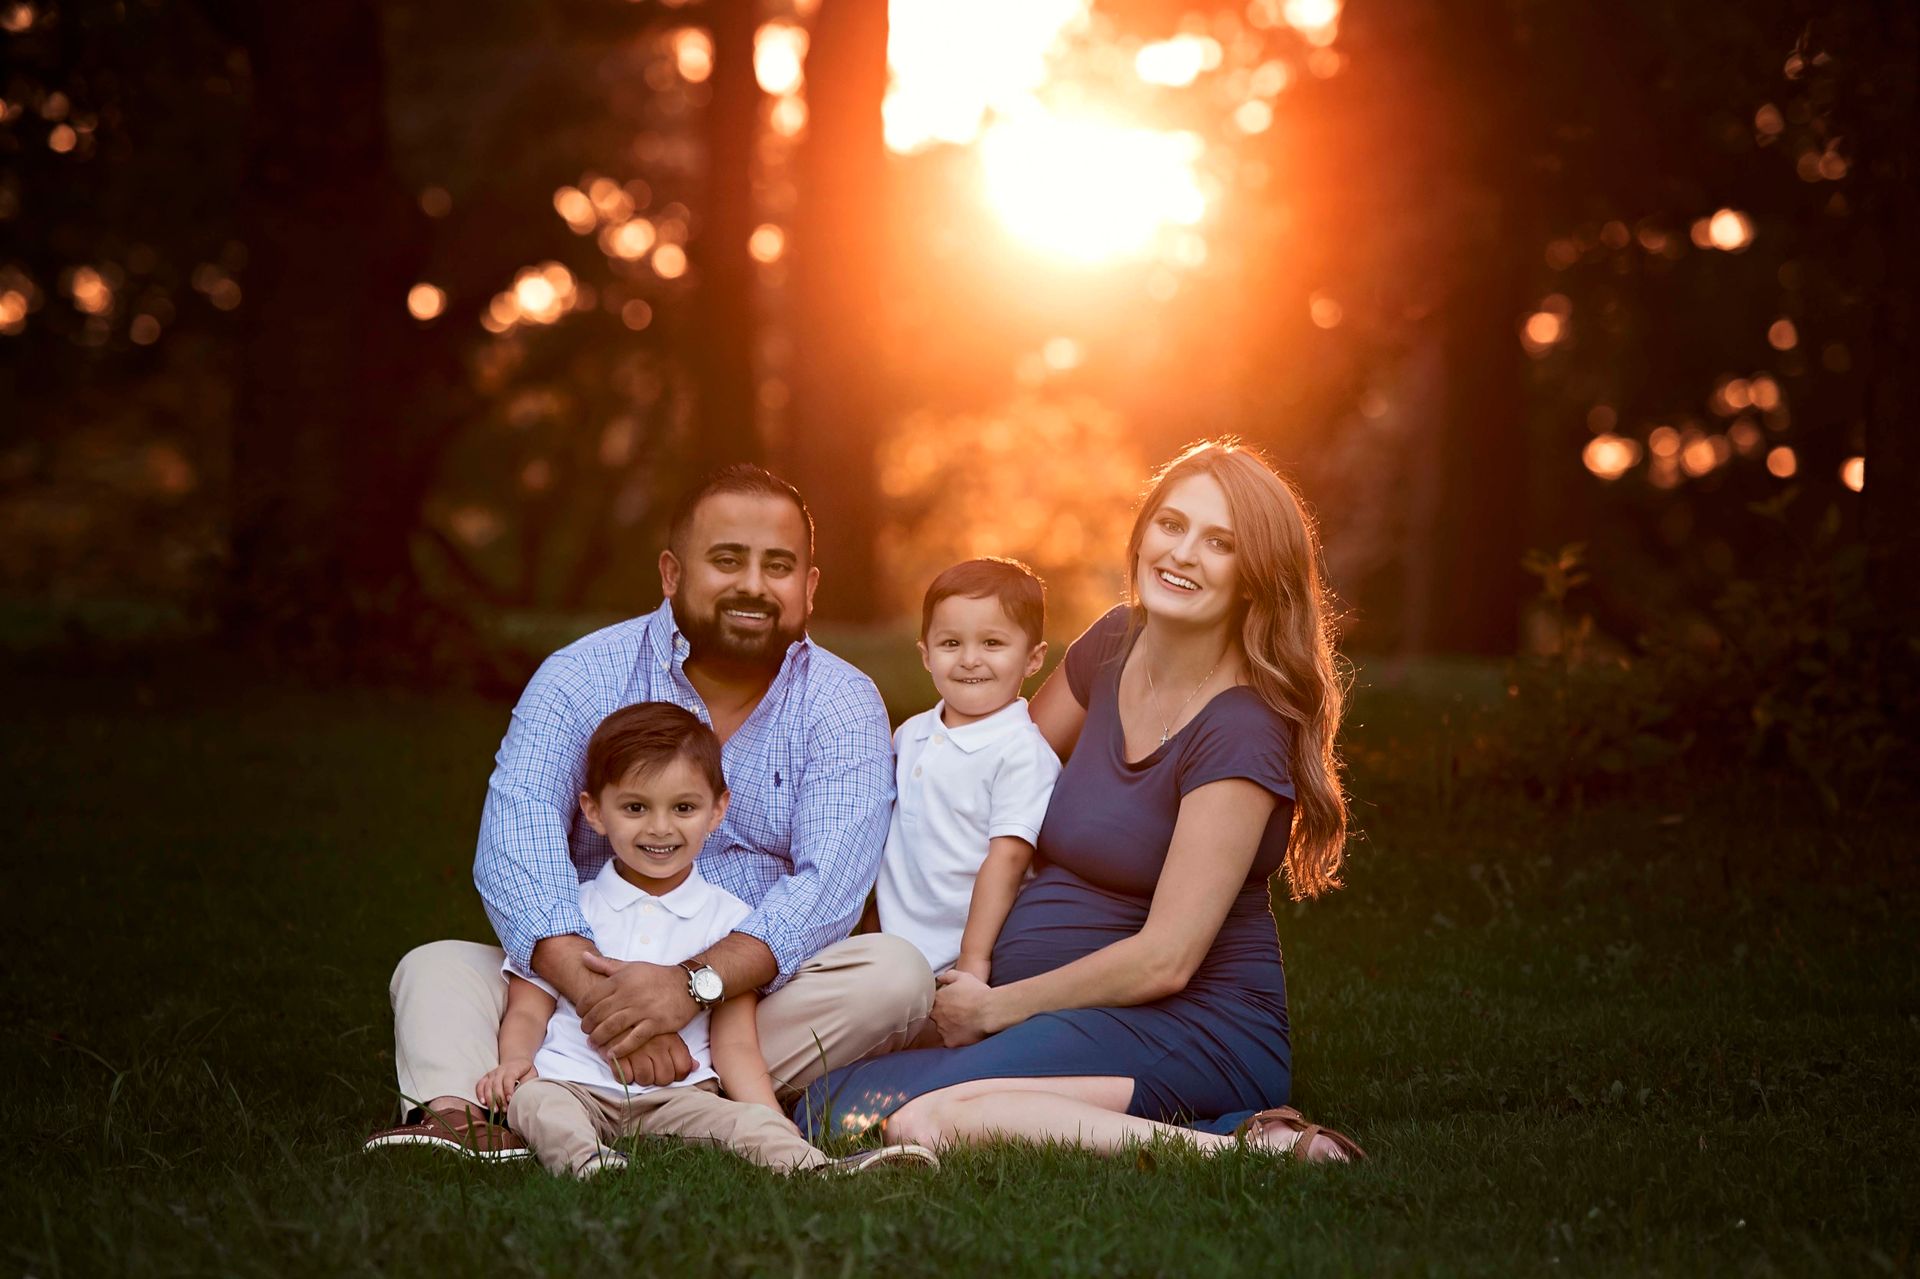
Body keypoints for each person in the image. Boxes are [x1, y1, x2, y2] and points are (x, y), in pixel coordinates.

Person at [796, 440, 1366, 1163]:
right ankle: (1212, 1128)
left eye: (1219, 542)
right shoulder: (1115, 641)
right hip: (1059, 1005)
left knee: (882, 1116)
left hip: (1188, 1022)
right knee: (831, 1098)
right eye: (1171, 524)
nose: (1183, 553)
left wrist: (995, 1008)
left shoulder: (1241, 729)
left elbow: (1166, 959)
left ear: (1256, 576)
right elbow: (998, 765)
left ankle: (1246, 1150)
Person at [366, 464, 933, 1159]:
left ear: (809, 586)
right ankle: (463, 1121)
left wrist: (688, 989)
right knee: (435, 967)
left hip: (741, 1008)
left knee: (894, 975)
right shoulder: (582, 674)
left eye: (778, 566)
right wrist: (607, 1003)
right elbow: (519, 840)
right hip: (577, 992)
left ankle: (616, 1089)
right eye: (727, 560)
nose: (754, 585)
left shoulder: (843, 701)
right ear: (672, 572)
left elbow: (828, 890)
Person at [478, 701, 936, 1177]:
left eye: (684, 808)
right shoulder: (571, 909)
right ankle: (588, 1163)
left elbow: (735, 1044)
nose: (660, 828)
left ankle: (811, 1167)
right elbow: (528, 1008)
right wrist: (515, 1062)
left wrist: (770, 1118)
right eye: (635, 807)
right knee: (535, 1101)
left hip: (681, 1096)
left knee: (743, 1123)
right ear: (594, 811)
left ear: (717, 810)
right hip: (572, 1083)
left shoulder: (730, 923)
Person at [874, 558, 1060, 981]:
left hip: (958, 956)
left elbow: (1008, 858)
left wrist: (974, 960)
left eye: (992, 643)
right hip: (890, 947)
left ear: (1033, 659)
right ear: (926, 655)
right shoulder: (910, 734)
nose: (970, 660)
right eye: (951, 643)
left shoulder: (1021, 752)